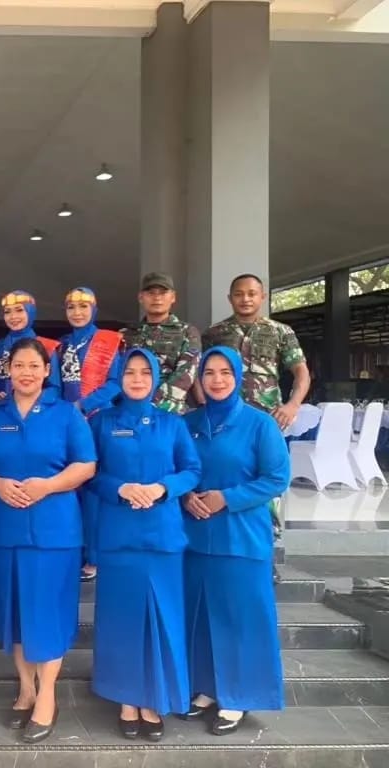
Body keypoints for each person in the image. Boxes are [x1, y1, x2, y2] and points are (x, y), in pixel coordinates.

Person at [0, 338, 96, 743]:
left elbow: (86, 465)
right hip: (3, 528)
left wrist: (49, 486)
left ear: (47, 371)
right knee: (14, 612)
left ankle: (47, 696)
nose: (25, 373)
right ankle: (26, 688)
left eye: (33, 366)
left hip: (54, 529)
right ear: (8, 371)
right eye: (18, 365)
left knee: (48, 613)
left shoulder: (66, 414)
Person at [88, 348, 200, 742]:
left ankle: (153, 697)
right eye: (130, 372)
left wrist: (162, 488)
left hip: (162, 535)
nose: (137, 379)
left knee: (162, 616)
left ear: (155, 379)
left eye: (144, 373)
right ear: (119, 379)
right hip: (118, 534)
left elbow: (192, 470)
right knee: (121, 619)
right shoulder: (102, 422)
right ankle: (125, 699)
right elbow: (90, 473)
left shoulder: (172, 424)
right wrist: (120, 488)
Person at [182, 347, 290, 735]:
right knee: (200, 615)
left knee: (241, 618)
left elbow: (276, 478)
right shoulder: (188, 423)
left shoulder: (259, 424)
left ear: (239, 376)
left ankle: (239, 696)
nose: (217, 380)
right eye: (209, 372)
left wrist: (226, 498)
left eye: (225, 372)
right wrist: (185, 496)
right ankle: (207, 688)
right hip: (195, 537)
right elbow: (177, 468)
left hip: (241, 536)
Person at [46, 287, 123, 582]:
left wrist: (83, 405)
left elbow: (116, 383)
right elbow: (54, 385)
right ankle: (72, 552)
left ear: (94, 309)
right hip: (67, 423)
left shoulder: (109, 341)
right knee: (69, 488)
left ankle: (95, 556)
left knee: (95, 490)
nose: (77, 312)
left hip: (98, 421)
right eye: (71, 307)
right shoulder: (62, 345)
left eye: (83, 306)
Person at [201, 274, 310, 431]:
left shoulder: (281, 331)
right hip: (224, 417)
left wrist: (293, 405)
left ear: (262, 297)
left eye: (252, 294)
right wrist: (204, 404)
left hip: (268, 417)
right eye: (238, 294)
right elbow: (199, 373)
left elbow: (301, 372)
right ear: (230, 298)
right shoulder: (213, 333)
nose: (245, 299)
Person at [122, 273, 201, 414]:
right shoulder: (126, 334)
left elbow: (186, 373)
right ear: (141, 297)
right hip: (130, 409)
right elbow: (117, 372)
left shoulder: (187, 332)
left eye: (163, 293)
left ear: (173, 297)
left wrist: (154, 405)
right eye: (151, 293)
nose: (157, 298)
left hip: (169, 411)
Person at [0, 291, 59, 400]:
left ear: (31, 312)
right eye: (7, 312)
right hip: (1, 408)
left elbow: (54, 389)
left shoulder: (47, 347)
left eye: (19, 310)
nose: (13, 316)